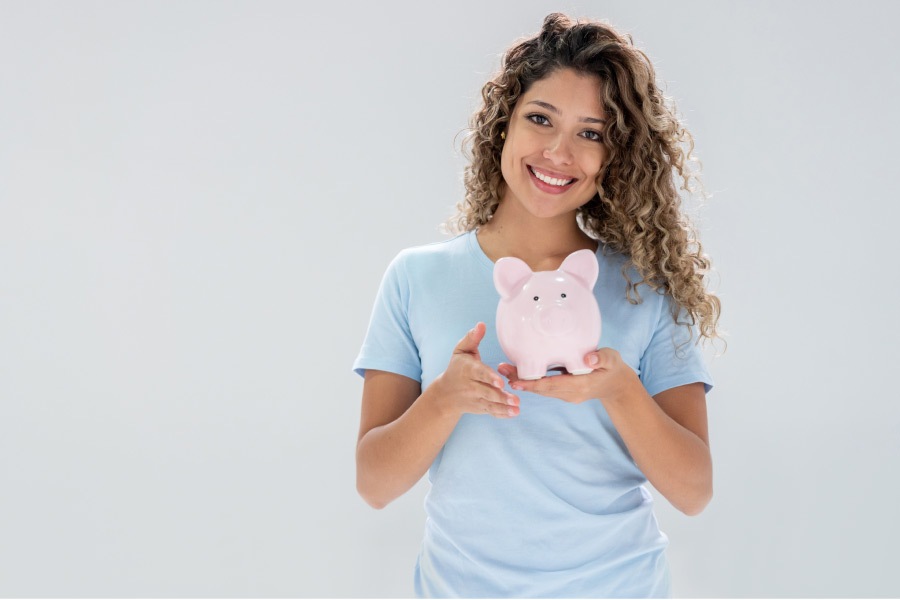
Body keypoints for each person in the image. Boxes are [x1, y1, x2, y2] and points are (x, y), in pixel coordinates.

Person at [352, 12, 724, 598]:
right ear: (504, 125)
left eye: (592, 132)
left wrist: (619, 388)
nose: (558, 152)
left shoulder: (643, 286)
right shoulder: (417, 278)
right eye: (540, 118)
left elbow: (694, 491)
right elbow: (373, 483)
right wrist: (444, 400)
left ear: (616, 156)